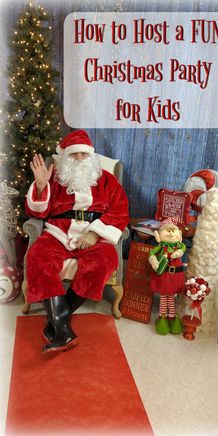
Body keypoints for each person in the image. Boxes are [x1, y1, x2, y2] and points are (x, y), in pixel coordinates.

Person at [25, 130, 129, 354]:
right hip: (58, 232)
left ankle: (57, 322)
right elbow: (38, 213)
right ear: (66, 158)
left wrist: (93, 234)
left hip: (94, 235)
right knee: (38, 257)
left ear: (91, 156)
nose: (80, 159)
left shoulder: (107, 180)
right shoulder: (54, 178)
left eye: (84, 154)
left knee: (104, 260)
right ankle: (63, 328)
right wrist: (41, 187)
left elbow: (120, 211)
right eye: (75, 155)